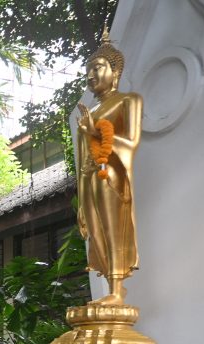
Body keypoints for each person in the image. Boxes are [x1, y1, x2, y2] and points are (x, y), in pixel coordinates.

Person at [75, 28, 142, 305]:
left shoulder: (128, 100)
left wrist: (96, 133)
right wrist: (81, 201)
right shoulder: (88, 113)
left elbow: (132, 142)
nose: (91, 76)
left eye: (97, 68)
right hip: (90, 177)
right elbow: (82, 160)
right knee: (96, 232)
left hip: (110, 174)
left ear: (115, 71)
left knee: (113, 228)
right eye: (88, 71)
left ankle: (116, 289)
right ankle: (110, 289)